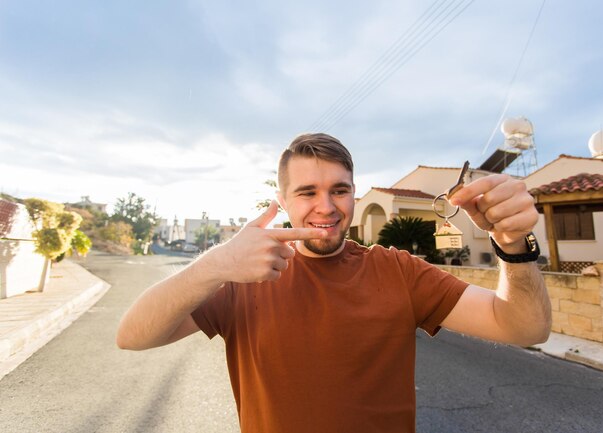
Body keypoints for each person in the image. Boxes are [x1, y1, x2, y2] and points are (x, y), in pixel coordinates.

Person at [117, 133, 551, 433]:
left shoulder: (398, 270)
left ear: (354, 195)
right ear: (283, 200)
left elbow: (523, 327)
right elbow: (132, 336)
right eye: (307, 192)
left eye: (339, 191)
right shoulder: (240, 276)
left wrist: (512, 245)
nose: (325, 207)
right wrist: (213, 266)